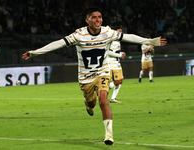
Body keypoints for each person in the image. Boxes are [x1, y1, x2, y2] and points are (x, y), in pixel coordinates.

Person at [22, 6, 167, 145]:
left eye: (100, 17)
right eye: (94, 17)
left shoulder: (107, 32)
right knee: (92, 103)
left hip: (103, 72)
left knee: (103, 100)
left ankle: (109, 135)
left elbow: (128, 37)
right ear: (87, 20)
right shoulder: (79, 35)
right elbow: (58, 43)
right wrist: (35, 52)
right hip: (85, 78)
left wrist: (149, 41)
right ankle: (88, 104)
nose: (98, 20)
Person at [108, 27, 126, 103]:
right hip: (111, 63)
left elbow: (115, 52)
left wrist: (121, 53)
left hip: (117, 63)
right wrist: (119, 55)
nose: (120, 34)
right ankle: (106, 89)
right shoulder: (110, 41)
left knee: (120, 81)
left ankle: (113, 98)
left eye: (121, 32)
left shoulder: (118, 41)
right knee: (117, 81)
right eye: (118, 32)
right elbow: (107, 52)